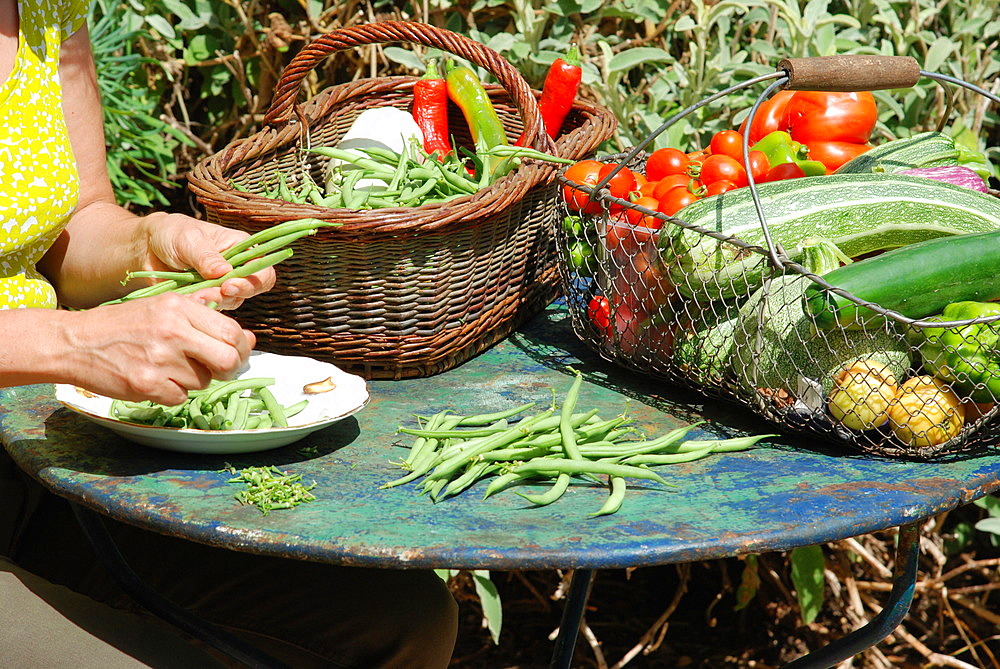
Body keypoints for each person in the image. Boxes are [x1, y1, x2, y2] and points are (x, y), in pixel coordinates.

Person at [0, 1, 458, 667]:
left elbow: (74, 224)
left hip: (28, 453)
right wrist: (72, 344)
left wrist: (148, 242)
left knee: (401, 622)